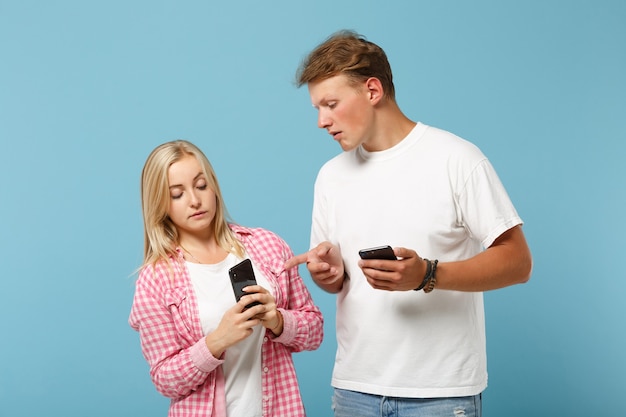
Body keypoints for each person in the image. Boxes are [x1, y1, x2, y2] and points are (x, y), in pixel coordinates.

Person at [285, 30, 532, 417]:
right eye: (317, 108)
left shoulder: (457, 159)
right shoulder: (330, 176)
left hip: (441, 392)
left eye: (330, 104)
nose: (321, 121)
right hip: (354, 389)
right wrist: (329, 274)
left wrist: (427, 274)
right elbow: (335, 281)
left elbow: (518, 262)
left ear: (372, 90)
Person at [129, 140, 324, 417]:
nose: (195, 200)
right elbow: (164, 379)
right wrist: (217, 341)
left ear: (214, 186)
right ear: (160, 204)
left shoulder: (267, 247)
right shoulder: (156, 278)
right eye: (177, 194)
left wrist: (277, 320)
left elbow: (314, 331)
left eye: (201, 185)